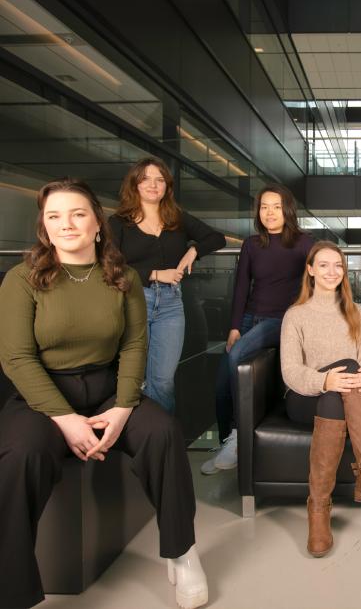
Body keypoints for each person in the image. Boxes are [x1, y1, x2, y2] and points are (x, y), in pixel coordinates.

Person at [0, 179, 207, 609]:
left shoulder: (124, 277)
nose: (66, 224)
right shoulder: (21, 279)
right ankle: (13, 589)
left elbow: (135, 345)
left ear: (97, 223)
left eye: (77, 214)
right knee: (20, 455)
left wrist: (122, 407)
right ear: (44, 227)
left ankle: (183, 552)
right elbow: (17, 358)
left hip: (108, 389)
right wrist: (65, 419)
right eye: (54, 216)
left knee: (164, 433)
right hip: (43, 395)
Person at [279, 241, 361, 557]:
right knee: (344, 374)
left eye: (337, 265)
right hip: (303, 397)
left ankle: (319, 509)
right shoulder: (295, 315)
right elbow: (290, 371)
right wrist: (326, 379)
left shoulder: (355, 312)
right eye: (323, 265)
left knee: (341, 390)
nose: (331, 271)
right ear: (310, 270)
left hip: (338, 400)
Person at [202, 184, 314, 475]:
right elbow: (241, 287)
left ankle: (239, 437)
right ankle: (228, 438)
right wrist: (235, 325)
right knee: (220, 383)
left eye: (276, 206)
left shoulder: (304, 243)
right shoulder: (252, 244)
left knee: (237, 356)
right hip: (251, 318)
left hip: (282, 320)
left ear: (287, 210)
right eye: (264, 207)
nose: (269, 212)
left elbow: (313, 287)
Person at [108, 157, 225, 413]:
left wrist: (194, 251)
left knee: (163, 381)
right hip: (134, 302)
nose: (153, 185)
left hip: (172, 305)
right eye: (146, 179)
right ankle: (136, 440)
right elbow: (110, 267)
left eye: (160, 180)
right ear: (135, 185)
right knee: (134, 380)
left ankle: (162, 442)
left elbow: (216, 238)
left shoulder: (176, 218)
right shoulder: (118, 223)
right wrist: (154, 274)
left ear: (167, 186)